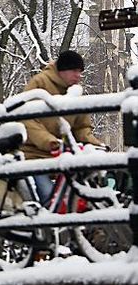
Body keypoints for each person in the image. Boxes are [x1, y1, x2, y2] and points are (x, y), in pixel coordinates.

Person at [19, 50, 104, 205]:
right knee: (48, 197)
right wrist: (48, 141)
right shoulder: (39, 84)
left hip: (63, 155)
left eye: (80, 72)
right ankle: (47, 226)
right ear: (62, 71)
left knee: (83, 193)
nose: (78, 76)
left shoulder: (74, 92)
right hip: (33, 154)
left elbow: (81, 127)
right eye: (74, 71)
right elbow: (28, 119)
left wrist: (96, 144)